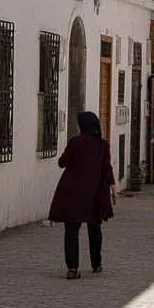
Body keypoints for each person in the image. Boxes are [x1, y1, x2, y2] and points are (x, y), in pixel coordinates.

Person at [49, 112, 116, 279]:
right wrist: (112, 186)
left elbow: (62, 163)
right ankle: (96, 264)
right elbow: (106, 168)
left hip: (73, 192)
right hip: (94, 192)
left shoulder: (75, 142)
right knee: (95, 229)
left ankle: (72, 268)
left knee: (71, 230)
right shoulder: (102, 145)